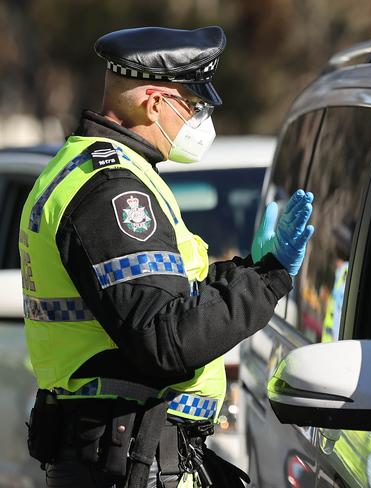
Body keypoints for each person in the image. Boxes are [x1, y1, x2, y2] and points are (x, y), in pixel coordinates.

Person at [20, 26, 315, 487]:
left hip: (133, 455)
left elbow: (167, 292)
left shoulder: (102, 170)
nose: (199, 121)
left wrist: (250, 270)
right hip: (128, 460)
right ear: (154, 103)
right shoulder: (112, 190)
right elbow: (166, 337)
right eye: (193, 107)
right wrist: (269, 279)